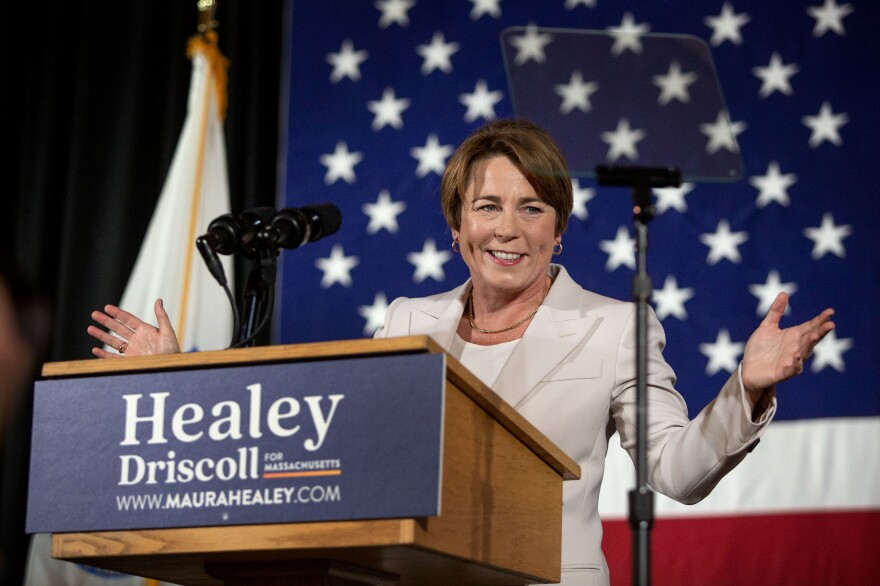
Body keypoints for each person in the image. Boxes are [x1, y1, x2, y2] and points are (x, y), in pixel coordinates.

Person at [89, 118, 835, 586]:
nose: (508, 228)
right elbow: (321, 445)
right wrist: (175, 385)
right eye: (487, 207)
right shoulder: (408, 322)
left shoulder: (615, 328)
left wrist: (747, 387)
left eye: (532, 208)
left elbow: (676, 471)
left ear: (558, 231)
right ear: (457, 229)